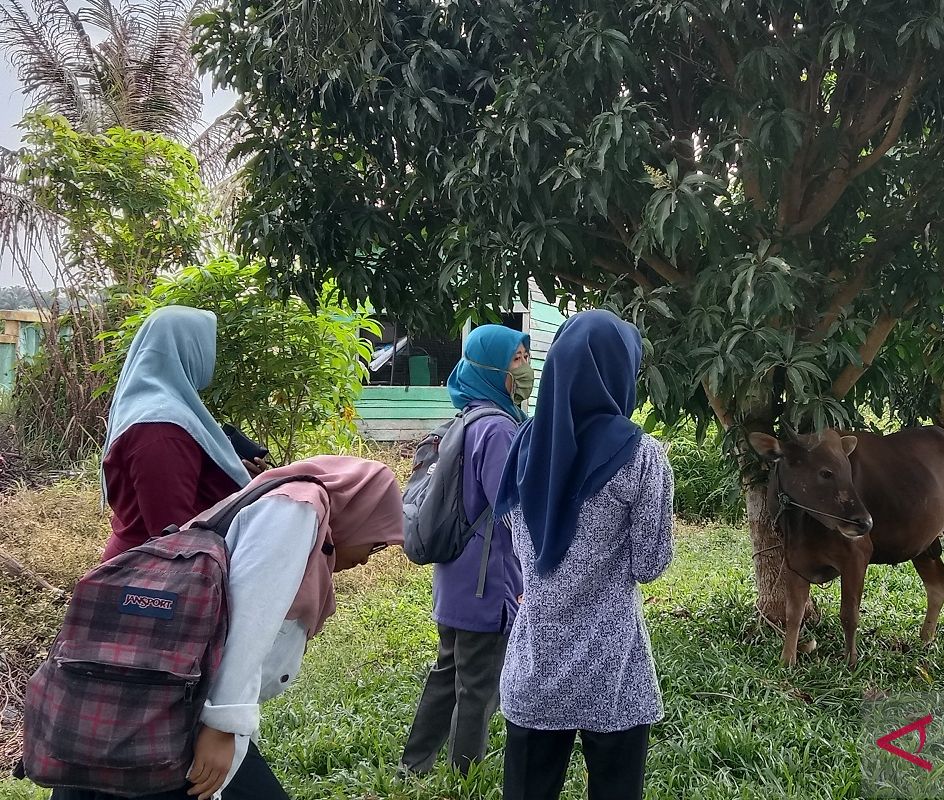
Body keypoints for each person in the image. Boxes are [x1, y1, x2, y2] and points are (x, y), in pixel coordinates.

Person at [51, 455, 407, 800]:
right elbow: (249, 622)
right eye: (375, 543)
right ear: (362, 509)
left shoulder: (286, 503)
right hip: (187, 708)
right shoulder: (295, 510)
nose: (364, 558)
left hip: (159, 692)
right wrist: (222, 725)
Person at [494, 310, 675, 800]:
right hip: (613, 669)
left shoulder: (524, 446)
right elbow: (649, 564)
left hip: (536, 664)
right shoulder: (643, 457)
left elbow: (516, 542)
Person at [401, 324, 534, 775]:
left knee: (447, 674)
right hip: (487, 581)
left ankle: (414, 763)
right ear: (492, 369)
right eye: (516, 360)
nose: (525, 368)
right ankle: (465, 776)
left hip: (456, 577)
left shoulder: (467, 416)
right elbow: (511, 506)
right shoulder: (497, 429)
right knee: (477, 685)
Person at [99, 305, 265, 561]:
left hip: (147, 567)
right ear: (189, 349)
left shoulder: (157, 409)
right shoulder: (161, 429)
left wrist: (244, 484)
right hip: (154, 579)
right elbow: (173, 531)